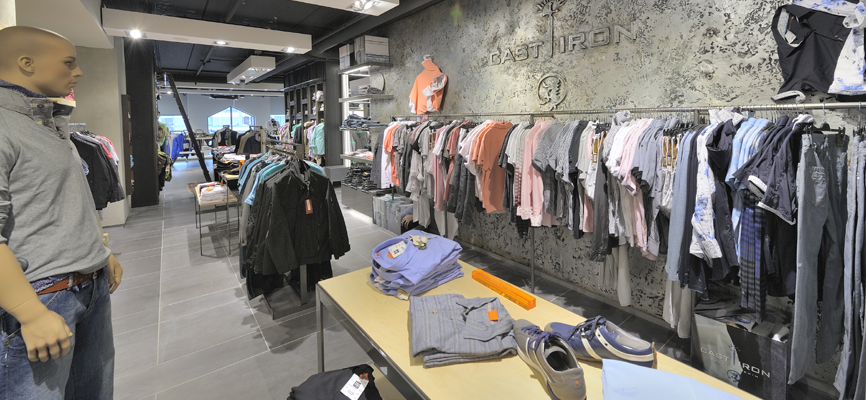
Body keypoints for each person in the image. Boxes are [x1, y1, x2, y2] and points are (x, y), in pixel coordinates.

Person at [0, 26, 123, 399]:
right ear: (26, 63)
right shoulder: (5, 126)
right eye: (69, 63)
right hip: (43, 297)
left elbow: (65, 199)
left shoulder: (50, 124)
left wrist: (99, 251)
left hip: (89, 288)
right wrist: (30, 312)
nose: (78, 72)